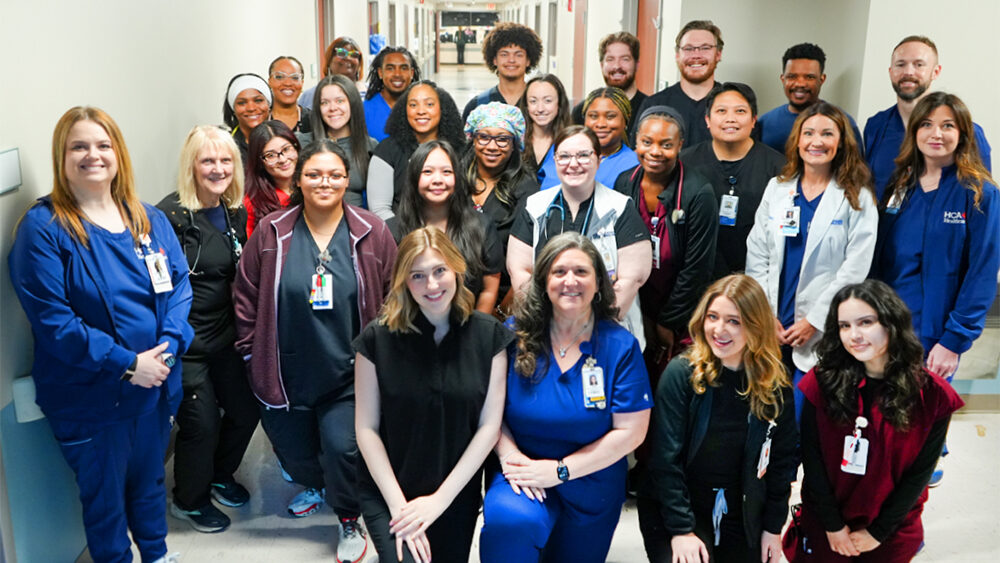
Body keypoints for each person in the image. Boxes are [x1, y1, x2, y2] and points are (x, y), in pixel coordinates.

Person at [8, 106, 193, 562]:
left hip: (154, 386)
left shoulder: (147, 218)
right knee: (105, 503)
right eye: (79, 146)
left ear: (118, 153)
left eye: (103, 145)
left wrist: (169, 348)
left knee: (150, 483)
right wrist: (128, 365)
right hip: (93, 398)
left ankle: (157, 555)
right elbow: (55, 321)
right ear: (62, 157)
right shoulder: (44, 229)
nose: (93, 155)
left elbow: (179, 286)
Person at [233, 139, 396, 563]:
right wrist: (251, 354)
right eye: (314, 174)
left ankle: (348, 516)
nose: (325, 182)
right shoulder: (272, 232)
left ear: (347, 179)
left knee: (342, 448)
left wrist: (385, 356)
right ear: (299, 180)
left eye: (335, 175)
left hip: (349, 372)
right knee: (295, 453)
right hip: (285, 371)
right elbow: (245, 296)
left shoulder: (371, 231)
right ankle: (317, 484)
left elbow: (394, 294)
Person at [480, 232, 652, 562]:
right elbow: (489, 412)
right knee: (510, 524)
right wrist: (511, 458)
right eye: (559, 272)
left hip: (592, 480)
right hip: (523, 472)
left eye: (581, 272)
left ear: (599, 283)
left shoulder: (620, 346)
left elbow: (632, 432)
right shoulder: (513, 335)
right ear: (543, 281)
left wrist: (560, 471)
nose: (570, 281)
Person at [354, 227, 513, 563]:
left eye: (440, 271)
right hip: (389, 487)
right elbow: (366, 429)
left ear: (456, 269)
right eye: (417, 275)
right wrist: (400, 507)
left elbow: (489, 429)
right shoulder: (376, 338)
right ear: (403, 281)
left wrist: (439, 501)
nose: (431, 285)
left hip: (454, 490)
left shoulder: (489, 336)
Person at [785, 280, 964, 562]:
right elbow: (813, 460)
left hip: (890, 529)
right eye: (844, 326)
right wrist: (833, 526)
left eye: (865, 322)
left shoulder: (933, 395)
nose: (854, 335)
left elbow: (920, 474)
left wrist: (878, 533)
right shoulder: (820, 383)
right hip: (826, 524)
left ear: (892, 323)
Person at [872, 92, 999, 485]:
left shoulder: (979, 193)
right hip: (887, 325)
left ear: (964, 133)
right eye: (926, 124)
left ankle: (909, 503)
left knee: (917, 431)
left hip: (935, 332)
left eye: (947, 125)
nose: (936, 133)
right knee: (883, 424)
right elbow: (881, 257)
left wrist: (954, 340)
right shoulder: (901, 184)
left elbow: (982, 273)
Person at [640, 274, 796, 563]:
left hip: (742, 510)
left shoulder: (773, 384)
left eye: (734, 321)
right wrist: (682, 530)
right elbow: (664, 460)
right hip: (680, 507)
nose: (719, 329)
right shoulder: (681, 374)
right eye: (712, 317)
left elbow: (781, 462)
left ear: (756, 325)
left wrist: (772, 527)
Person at [746, 102, 878, 420]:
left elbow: (854, 269)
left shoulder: (856, 197)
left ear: (841, 143)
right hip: (773, 324)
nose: (816, 141)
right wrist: (765, 314)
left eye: (827, 134)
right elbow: (758, 253)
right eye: (808, 133)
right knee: (763, 416)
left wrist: (815, 320)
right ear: (797, 140)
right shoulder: (778, 189)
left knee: (803, 420)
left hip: (820, 329)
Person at [156, 126, 259, 533]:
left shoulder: (233, 211)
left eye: (225, 160)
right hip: (186, 340)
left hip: (225, 334)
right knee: (201, 422)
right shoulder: (168, 218)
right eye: (208, 161)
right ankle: (189, 499)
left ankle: (218, 474)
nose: (218, 169)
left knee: (246, 409)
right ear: (191, 166)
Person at [507, 125, 652, 348]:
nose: (573, 164)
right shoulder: (535, 206)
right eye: (564, 156)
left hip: (607, 333)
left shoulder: (621, 208)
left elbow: (631, 279)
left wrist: (590, 329)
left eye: (583, 155)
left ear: (598, 159)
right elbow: (520, 271)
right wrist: (545, 322)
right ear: (555, 161)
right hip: (545, 331)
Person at [614, 106, 718, 367]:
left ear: (680, 145)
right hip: (634, 306)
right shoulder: (624, 183)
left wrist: (667, 321)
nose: (655, 151)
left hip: (680, 313)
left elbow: (697, 269)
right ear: (636, 141)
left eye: (666, 144)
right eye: (647, 142)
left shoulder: (698, 193)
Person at [864, 36, 991, 199]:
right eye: (900, 64)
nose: (908, 72)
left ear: (935, 72)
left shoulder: (967, 132)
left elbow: (980, 199)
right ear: (890, 72)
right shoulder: (876, 126)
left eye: (919, 65)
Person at [681, 82, 785, 278]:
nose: (730, 119)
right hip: (697, 275)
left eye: (740, 111)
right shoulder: (684, 163)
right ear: (707, 119)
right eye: (721, 111)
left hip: (757, 276)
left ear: (753, 120)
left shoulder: (779, 168)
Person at [390, 140, 504, 314]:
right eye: (427, 172)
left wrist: (477, 327)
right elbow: (389, 292)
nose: (438, 180)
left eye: (446, 172)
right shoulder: (391, 231)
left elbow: (488, 290)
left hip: (468, 324)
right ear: (414, 177)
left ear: (457, 177)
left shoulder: (481, 226)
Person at [462, 102, 540, 312]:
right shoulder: (455, 179)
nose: (492, 146)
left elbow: (530, 264)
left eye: (502, 139)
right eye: (484, 137)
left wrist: (500, 314)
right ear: (473, 139)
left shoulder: (527, 190)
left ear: (515, 144)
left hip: (505, 298)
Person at [367, 80, 465, 220]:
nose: (421, 111)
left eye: (429, 104)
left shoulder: (460, 150)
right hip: (400, 230)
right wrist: (412, 233)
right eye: (413, 105)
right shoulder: (387, 151)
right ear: (404, 110)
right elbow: (379, 209)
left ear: (442, 108)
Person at [631, 20, 723, 148]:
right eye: (688, 48)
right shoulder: (654, 105)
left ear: (718, 54)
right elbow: (637, 153)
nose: (696, 55)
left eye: (705, 48)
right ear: (677, 55)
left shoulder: (733, 105)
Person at [758, 43, 863, 155]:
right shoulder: (765, 123)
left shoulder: (842, 122)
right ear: (783, 79)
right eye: (792, 76)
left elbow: (855, 164)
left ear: (821, 80)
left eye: (809, 77)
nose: (800, 83)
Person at [303, 74, 378, 208]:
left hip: (356, 218)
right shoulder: (303, 142)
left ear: (352, 103)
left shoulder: (370, 146)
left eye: (340, 101)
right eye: (325, 103)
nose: (332, 108)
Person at [462, 22, 543, 121]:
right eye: (504, 54)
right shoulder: (478, 105)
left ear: (528, 61)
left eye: (519, 55)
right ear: (494, 60)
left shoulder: (541, 106)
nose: (511, 60)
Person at [571, 32, 648, 132]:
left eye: (625, 59)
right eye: (610, 59)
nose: (617, 66)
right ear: (602, 65)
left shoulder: (650, 109)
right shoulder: (582, 111)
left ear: (637, 65)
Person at [243, 120, 300, 236]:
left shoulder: (313, 185)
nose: (283, 159)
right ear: (259, 162)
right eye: (271, 155)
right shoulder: (252, 202)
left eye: (286, 149)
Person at [518, 74, 572, 189]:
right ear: (526, 105)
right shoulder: (516, 141)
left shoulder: (571, 142)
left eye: (548, 101)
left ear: (559, 103)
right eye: (533, 101)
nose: (540, 109)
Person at [582, 87, 641, 187]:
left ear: (626, 120)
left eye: (610, 116)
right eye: (593, 116)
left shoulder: (635, 165)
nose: (600, 124)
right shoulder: (564, 156)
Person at [364, 46, 420, 142]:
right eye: (390, 68)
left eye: (404, 68)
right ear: (380, 73)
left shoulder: (423, 109)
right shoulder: (364, 110)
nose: (397, 74)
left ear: (411, 73)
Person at [301, 37, 365, 110]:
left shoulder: (369, 94)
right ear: (329, 60)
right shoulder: (310, 96)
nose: (348, 58)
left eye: (354, 55)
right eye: (341, 53)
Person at [223, 73, 272, 162]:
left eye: (258, 100)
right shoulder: (224, 145)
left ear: (269, 104)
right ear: (233, 109)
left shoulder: (284, 140)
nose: (251, 108)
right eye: (242, 103)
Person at [268, 55, 313, 135]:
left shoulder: (315, 120)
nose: (288, 83)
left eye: (295, 77)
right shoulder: (260, 119)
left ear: (302, 83)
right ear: (270, 81)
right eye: (279, 77)